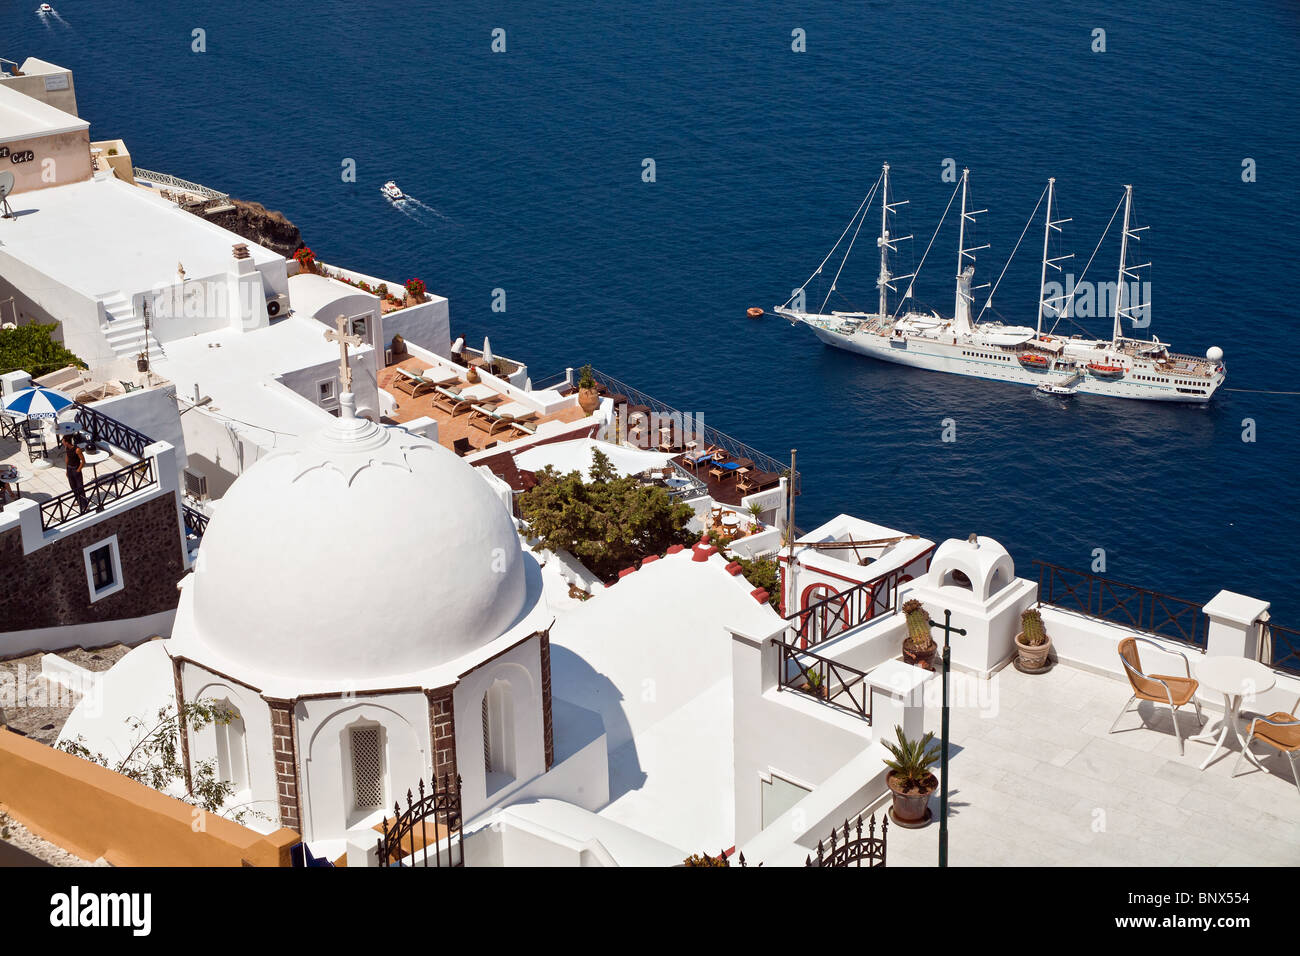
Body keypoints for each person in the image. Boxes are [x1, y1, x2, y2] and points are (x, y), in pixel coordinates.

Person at [62, 434, 89, 512]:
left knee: (80, 488)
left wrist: (78, 470)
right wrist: (67, 469)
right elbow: (67, 457)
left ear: (67, 442)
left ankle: (85, 506)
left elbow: (83, 461)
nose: (63, 442)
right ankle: (78, 501)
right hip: (70, 469)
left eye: (63, 441)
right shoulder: (67, 448)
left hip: (75, 469)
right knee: (73, 487)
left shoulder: (77, 450)